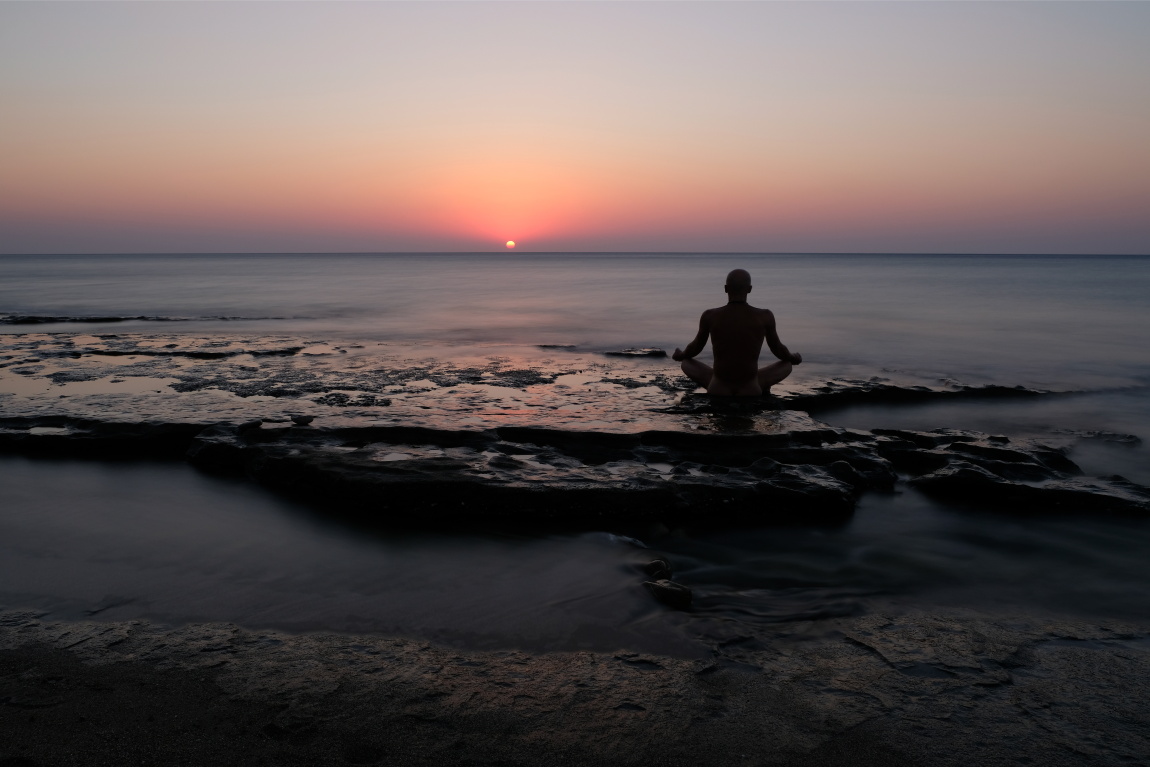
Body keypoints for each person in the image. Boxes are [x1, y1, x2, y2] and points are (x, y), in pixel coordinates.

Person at [672, 269, 802, 396]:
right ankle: (762, 386)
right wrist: (793, 357)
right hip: (750, 389)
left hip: (718, 388)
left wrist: (680, 355)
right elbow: (778, 349)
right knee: (787, 365)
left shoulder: (710, 316)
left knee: (686, 362)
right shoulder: (764, 316)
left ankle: (716, 382)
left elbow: (694, 348)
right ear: (749, 289)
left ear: (726, 288)